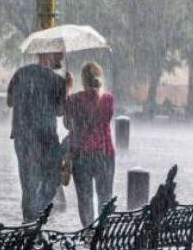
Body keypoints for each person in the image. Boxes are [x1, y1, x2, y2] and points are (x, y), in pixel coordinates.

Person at [7, 51, 71, 223]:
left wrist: (27, 97)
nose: (61, 58)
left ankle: (28, 221)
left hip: (23, 136)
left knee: (28, 183)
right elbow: (60, 112)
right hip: (45, 139)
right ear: (48, 55)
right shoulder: (58, 81)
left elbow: (10, 101)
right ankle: (34, 216)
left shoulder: (20, 74)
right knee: (52, 179)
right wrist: (67, 89)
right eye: (58, 55)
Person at [64, 62, 115, 227]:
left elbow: (67, 124)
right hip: (105, 154)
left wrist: (68, 89)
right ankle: (103, 233)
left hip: (82, 155)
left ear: (83, 80)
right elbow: (104, 121)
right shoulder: (108, 99)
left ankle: (88, 233)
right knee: (105, 197)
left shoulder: (74, 99)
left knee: (85, 199)